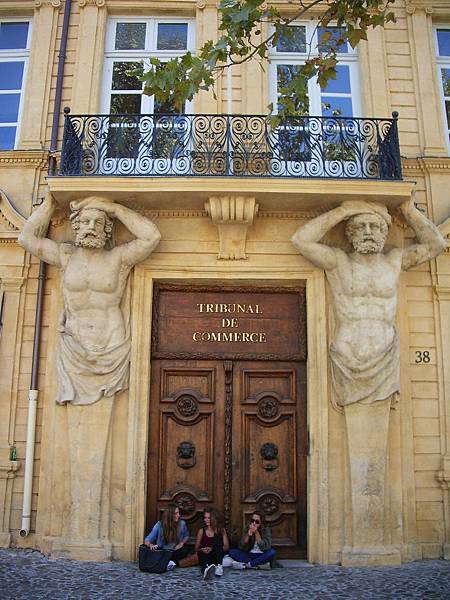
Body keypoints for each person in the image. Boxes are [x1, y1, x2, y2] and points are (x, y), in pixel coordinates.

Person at [18, 195, 161, 405]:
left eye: (98, 222)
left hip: (112, 345)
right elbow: (26, 239)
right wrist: (51, 202)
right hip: (74, 345)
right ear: (76, 226)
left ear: (106, 229)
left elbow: (152, 237)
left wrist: (113, 209)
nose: (91, 227)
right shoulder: (65, 256)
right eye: (86, 222)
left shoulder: (119, 258)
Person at [144, 505, 190, 570]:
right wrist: (150, 545)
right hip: (163, 551)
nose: (178, 515)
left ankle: (167, 562)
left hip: (175, 551)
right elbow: (147, 540)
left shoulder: (182, 524)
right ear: (170, 515)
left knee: (185, 550)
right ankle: (170, 563)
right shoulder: (159, 524)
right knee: (160, 553)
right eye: (176, 513)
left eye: (178, 513)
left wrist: (182, 543)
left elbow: (186, 536)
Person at [195, 508, 230, 580]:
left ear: (214, 518)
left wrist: (212, 548)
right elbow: (196, 548)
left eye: (208, 518)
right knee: (204, 556)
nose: (206, 520)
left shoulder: (221, 530)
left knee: (216, 541)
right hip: (205, 555)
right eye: (205, 518)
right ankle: (205, 571)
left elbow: (226, 547)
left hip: (217, 555)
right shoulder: (201, 531)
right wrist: (202, 550)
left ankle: (219, 567)